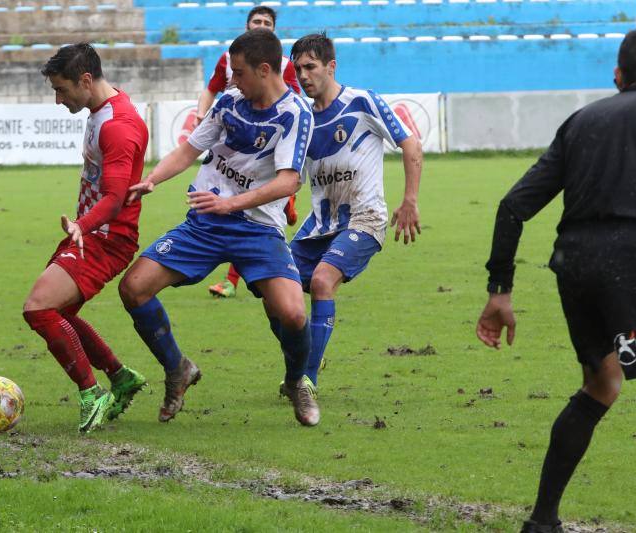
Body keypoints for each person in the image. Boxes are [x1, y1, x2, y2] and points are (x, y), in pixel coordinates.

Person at [476, 28, 636, 533]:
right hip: (633, 256)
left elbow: (513, 206)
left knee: (603, 382)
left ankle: (542, 520)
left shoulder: (582, 120)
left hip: (575, 262)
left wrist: (499, 290)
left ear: (617, 76)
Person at [119, 29, 320, 426]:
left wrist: (229, 203)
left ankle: (296, 381)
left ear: (265, 70)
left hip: (258, 229)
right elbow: (189, 149)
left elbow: (287, 182)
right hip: (207, 222)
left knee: (294, 314)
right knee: (133, 288)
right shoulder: (230, 101)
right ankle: (177, 368)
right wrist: (153, 179)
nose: (232, 81)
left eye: (240, 73)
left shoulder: (296, 113)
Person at [281, 33, 422, 394]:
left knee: (323, 281)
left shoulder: (362, 101)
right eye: (298, 69)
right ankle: (309, 355)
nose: (304, 76)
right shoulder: (303, 119)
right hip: (318, 225)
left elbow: (410, 143)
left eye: (311, 67)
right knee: (278, 291)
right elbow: (289, 175)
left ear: (331, 66)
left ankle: (305, 379)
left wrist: (410, 200)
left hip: (364, 218)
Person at [23, 43, 148, 433]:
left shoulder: (118, 127)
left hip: (106, 238)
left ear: (86, 80)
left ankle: (92, 393)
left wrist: (83, 225)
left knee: (39, 309)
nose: (59, 100)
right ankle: (119, 375)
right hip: (92, 232)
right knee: (57, 313)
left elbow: (114, 197)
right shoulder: (104, 110)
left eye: (62, 90)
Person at [197, 5, 301, 299]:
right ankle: (237, 276)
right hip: (234, 146)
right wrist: (202, 115)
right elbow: (211, 89)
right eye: (257, 21)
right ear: (246, 26)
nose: (262, 25)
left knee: (248, 210)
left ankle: (241, 277)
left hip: (266, 150)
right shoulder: (227, 59)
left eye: (267, 22)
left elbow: (291, 99)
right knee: (236, 205)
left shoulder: (283, 65)